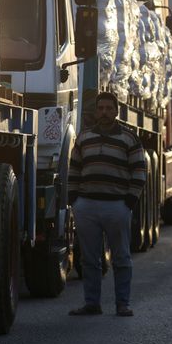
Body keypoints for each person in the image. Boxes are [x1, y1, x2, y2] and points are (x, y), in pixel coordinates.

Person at [67, 92, 146, 317]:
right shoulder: (84, 138)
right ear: (95, 111)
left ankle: (123, 303)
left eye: (108, 108)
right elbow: (74, 169)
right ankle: (92, 303)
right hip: (87, 206)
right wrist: (75, 201)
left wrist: (128, 203)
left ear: (116, 111)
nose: (104, 112)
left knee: (121, 258)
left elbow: (139, 172)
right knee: (89, 259)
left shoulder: (129, 139)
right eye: (100, 108)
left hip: (116, 207)